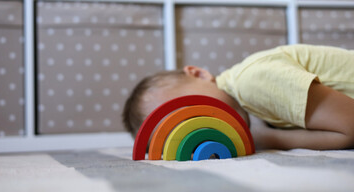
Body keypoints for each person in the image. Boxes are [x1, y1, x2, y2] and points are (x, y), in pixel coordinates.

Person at [122, 44, 354, 150]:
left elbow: (350, 127)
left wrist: (269, 140)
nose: (201, 126)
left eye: (190, 109)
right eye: (183, 130)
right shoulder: (252, 100)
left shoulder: (252, 82)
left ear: (199, 74)